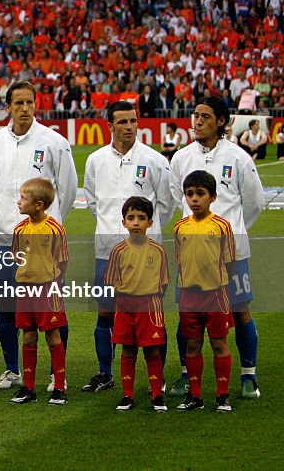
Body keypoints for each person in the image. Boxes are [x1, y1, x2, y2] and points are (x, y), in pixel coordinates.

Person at [169, 96, 264, 399]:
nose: (197, 121)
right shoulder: (182, 158)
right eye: (195, 115)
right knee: (188, 314)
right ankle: (186, 375)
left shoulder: (238, 158)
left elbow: (254, 203)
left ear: (221, 121)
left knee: (240, 311)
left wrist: (230, 234)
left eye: (205, 116)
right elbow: (176, 200)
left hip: (231, 255)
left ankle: (249, 376)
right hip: (193, 256)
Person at [0, 81, 76, 391]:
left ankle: (54, 374)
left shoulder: (54, 141)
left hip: (43, 245)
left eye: (30, 103)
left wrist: (46, 225)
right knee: (7, 308)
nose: (25, 108)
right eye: (18, 103)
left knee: (51, 312)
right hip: (5, 240)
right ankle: (12, 370)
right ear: (7, 107)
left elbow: (68, 189)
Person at [82, 101, 173, 393]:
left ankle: (156, 378)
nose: (129, 127)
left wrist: (147, 234)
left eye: (133, 121)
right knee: (106, 312)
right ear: (109, 126)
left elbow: (166, 204)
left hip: (146, 253)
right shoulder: (95, 160)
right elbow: (93, 202)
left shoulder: (155, 160)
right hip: (107, 251)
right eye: (122, 122)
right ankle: (105, 372)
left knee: (151, 315)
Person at [173, 170, 236, 413]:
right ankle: (195, 396)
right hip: (190, 295)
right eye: (190, 194)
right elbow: (180, 260)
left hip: (216, 294)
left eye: (200, 193)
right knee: (192, 344)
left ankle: (222, 395)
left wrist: (219, 283)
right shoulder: (180, 227)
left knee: (219, 344)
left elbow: (229, 261)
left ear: (213, 197)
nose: (194, 199)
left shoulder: (222, 226)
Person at [8, 178, 70, 406]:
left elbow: (63, 261)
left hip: (47, 290)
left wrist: (51, 279)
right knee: (29, 335)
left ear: (39, 205)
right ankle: (29, 388)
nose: (19, 202)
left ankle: (60, 387)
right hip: (24, 290)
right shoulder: (19, 229)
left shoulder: (55, 229)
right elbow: (16, 255)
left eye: (24, 198)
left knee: (53, 336)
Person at [105, 196, 170, 412]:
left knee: (152, 351)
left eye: (141, 218)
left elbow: (164, 283)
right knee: (128, 350)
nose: (135, 222)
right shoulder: (118, 251)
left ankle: (157, 395)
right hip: (125, 306)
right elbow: (112, 282)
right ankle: (127, 395)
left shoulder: (158, 251)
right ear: (123, 222)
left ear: (150, 222)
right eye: (130, 218)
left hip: (150, 306)